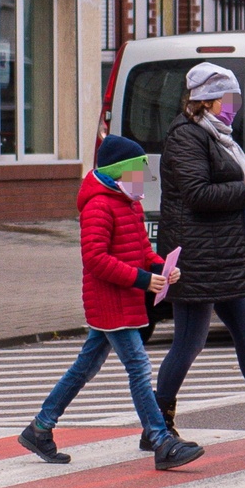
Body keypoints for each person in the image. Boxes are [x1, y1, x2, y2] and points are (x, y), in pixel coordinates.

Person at [18, 135, 204, 470]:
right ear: (120, 172)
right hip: (109, 302)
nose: (144, 180)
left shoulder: (126, 201)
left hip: (124, 299)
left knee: (84, 367)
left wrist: (160, 266)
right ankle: (161, 440)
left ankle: (40, 427)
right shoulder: (98, 205)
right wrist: (143, 279)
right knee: (138, 367)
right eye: (139, 172)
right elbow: (95, 259)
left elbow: (140, 250)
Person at [141, 62, 245, 452]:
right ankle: (157, 426)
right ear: (206, 99)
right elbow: (196, 194)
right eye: (228, 98)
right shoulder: (186, 137)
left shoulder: (220, 137)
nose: (234, 106)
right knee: (189, 343)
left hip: (226, 255)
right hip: (198, 258)